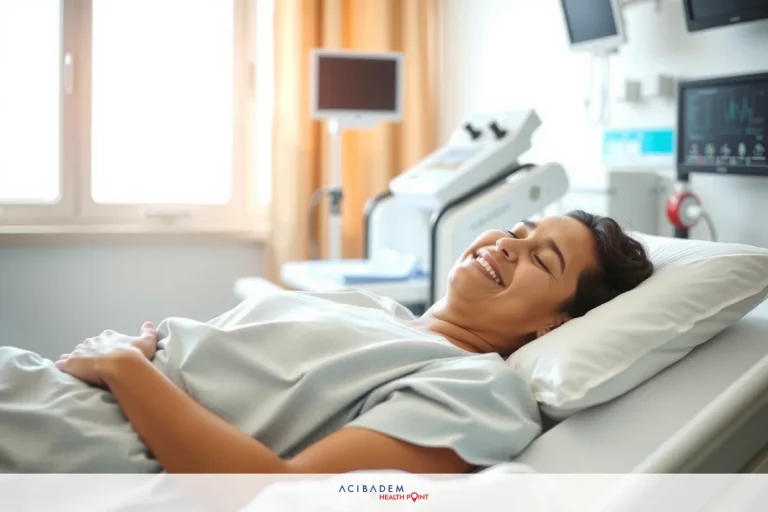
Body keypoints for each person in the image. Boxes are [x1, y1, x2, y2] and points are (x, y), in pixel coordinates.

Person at [0, 210, 653, 474]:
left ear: (554, 325)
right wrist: (138, 352)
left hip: (82, 446)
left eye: (541, 259)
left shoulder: (478, 388)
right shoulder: (373, 307)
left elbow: (280, 496)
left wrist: (125, 368)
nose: (508, 246)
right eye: (517, 230)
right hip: (46, 389)